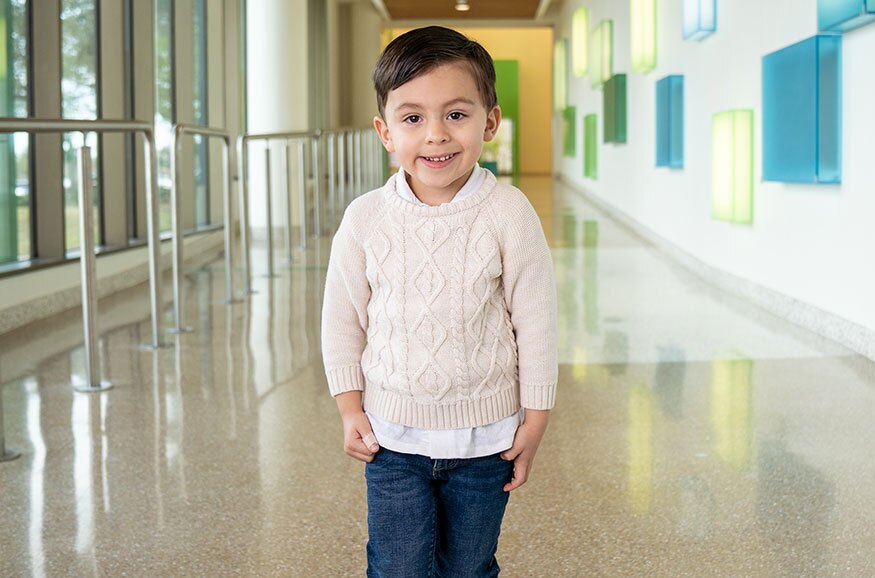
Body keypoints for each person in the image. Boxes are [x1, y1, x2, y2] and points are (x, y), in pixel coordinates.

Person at [321, 25, 557, 577]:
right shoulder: (365, 218)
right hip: (391, 439)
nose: (435, 136)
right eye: (412, 118)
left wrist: (536, 419)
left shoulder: (509, 212)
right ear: (385, 131)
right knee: (397, 566)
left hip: (488, 439)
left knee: (469, 567)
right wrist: (349, 407)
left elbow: (537, 321)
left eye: (456, 114)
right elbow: (342, 320)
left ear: (489, 121)